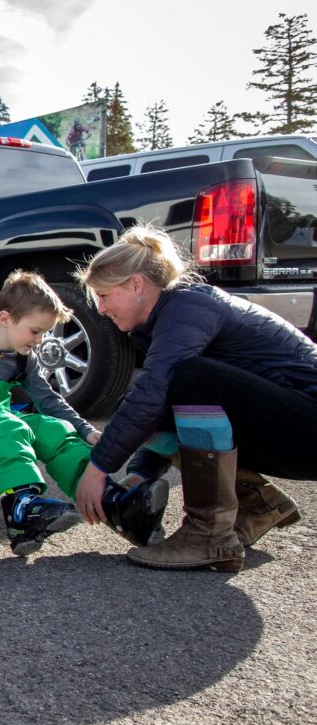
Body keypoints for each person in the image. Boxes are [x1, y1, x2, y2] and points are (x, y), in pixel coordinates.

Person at [74, 225, 311, 571]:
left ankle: (208, 536)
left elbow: (155, 395)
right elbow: (153, 406)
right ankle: (259, 503)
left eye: (104, 295)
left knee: (189, 378)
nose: (99, 309)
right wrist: (139, 474)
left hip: (309, 425)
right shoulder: (171, 313)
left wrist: (97, 469)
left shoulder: (188, 306)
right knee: (166, 389)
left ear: (136, 285)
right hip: (291, 424)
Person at [0, 270, 167, 555]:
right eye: (35, 331)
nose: (39, 341)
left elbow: (49, 400)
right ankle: (21, 508)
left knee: (52, 428)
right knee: (10, 424)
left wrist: (85, 429)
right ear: (5, 319)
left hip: (1, 423)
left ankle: (112, 504)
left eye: (44, 333)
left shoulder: (23, 357)